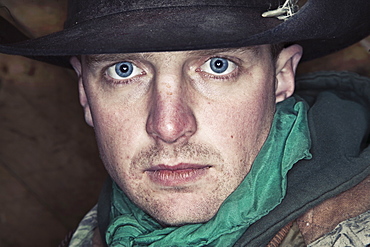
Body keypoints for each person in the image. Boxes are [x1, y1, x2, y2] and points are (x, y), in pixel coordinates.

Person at [1, 0, 369, 246]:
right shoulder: (99, 230)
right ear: (85, 91)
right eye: (124, 70)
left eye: (218, 66)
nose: (169, 127)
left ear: (282, 76)